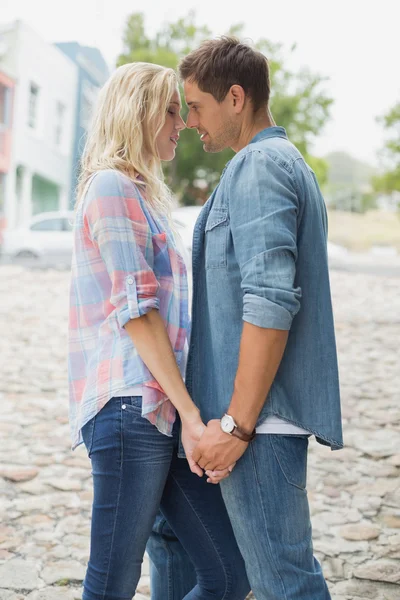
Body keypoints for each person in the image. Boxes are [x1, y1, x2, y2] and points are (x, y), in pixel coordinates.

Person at [149, 37, 343, 600]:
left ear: (236, 98)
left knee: (285, 581)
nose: (189, 122)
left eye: (197, 107)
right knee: (188, 548)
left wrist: (236, 426)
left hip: (256, 425)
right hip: (240, 420)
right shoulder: (274, 163)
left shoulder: (259, 167)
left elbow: (270, 302)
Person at [68, 61, 250, 600]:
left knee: (228, 571)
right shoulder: (109, 187)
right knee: (112, 583)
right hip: (130, 406)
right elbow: (138, 311)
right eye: (171, 110)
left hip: (157, 411)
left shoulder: (141, 197)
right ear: (138, 113)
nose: (182, 122)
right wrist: (193, 417)